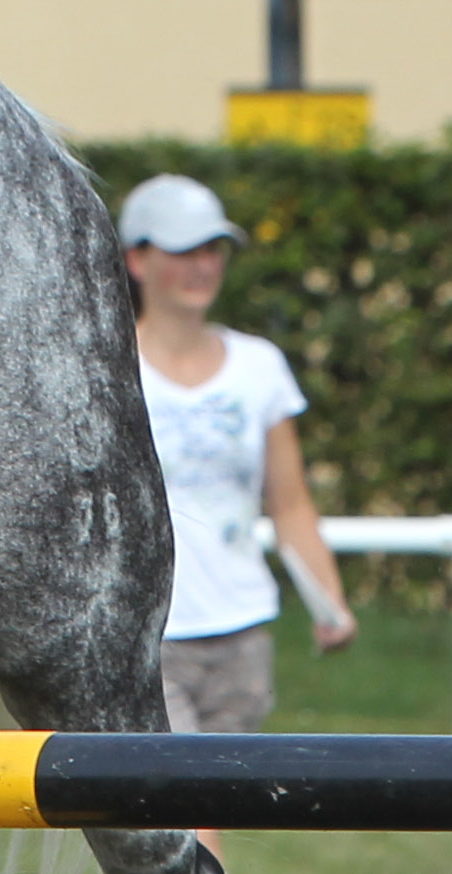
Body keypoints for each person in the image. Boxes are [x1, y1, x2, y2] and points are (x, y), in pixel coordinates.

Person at [121, 172, 355, 861]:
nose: (203, 265)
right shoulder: (111, 364)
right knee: (191, 809)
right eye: (183, 249)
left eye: (214, 248)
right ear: (137, 259)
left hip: (243, 634)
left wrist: (328, 598)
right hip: (149, 632)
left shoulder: (260, 367)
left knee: (206, 807)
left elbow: (289, 503)